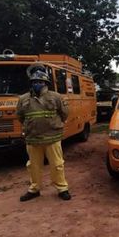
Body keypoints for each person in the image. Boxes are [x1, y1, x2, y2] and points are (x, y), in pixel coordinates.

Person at [17, 65, 71, 202]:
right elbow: (20, 117)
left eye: (40, 82)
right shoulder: (23, 99)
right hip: (33, 139)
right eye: (35, 82)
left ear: (46, 83)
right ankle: (34, 189)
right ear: (31, 83)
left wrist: (55, 125)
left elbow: (64, 114)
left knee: (57, 164)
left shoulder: (56, 97)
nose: (37, 84)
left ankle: (62, 189)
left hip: (52, 138)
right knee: (33, 166)